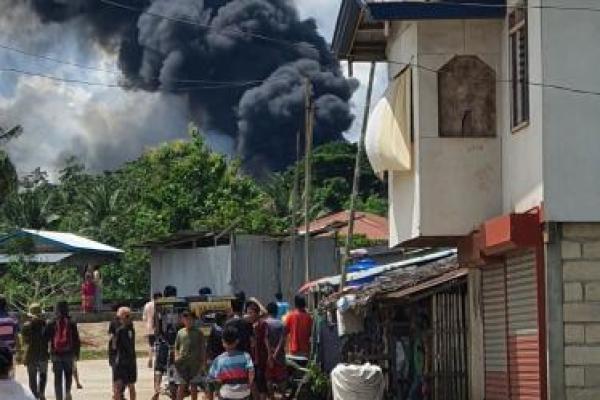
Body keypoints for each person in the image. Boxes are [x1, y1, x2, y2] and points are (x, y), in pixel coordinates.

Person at [45, 301, 80, 400]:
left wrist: (48, 352)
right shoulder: (71, 322)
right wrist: (76, 354)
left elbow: (45, 338)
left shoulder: (51, 322)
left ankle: (59, 397)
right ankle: (67, 393)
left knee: (58, 377)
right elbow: (76, 340)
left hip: (56, 354)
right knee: (68, 375)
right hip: (69, 353)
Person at [208, 325, 255, 400]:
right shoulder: (246, 356)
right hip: (243, 392)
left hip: (226, 393)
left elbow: (212, 378)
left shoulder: (219, 359)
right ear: (237, 341)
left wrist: (217, 391)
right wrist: (249, 384)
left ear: (223, 342)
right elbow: (251, 372)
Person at [174, 311, 206, 400]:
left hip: (195, 364)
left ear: (194, 320)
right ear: (183, 320)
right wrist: (176, 358)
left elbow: (203, 348)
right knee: (181, 385)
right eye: (186, 319)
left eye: (191, 319)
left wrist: (203, 363)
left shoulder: (199, 333)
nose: (189, 321)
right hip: (182, 364)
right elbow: (176, 347)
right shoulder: (180, 332)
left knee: (194, 386)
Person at [21, 303, 49, 400]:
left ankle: (34, 396)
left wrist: (24, 356)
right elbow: (48, 340)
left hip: (31, 355)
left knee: (32, 378)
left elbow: (25, 343)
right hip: (43, 354)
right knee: (43, 375)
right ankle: (41, 393)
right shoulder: (45, 324)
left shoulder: (26, 326)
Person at [264, 303, 287, 399]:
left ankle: (272, 397)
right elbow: (282, 340)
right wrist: (276, 354)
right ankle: (283, 396)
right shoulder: (281, 323)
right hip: (280, 356)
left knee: (269, 378)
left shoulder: (265, 323)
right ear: (276, 311)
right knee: (281, 378)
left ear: (267, 311)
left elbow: (265, 339)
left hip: (267, 356)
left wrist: (270, 355)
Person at [113, 307, 137, 400]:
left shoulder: (120, 330)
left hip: (122, 361)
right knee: (131, 385)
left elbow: (114, 346)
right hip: (131, 360)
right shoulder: (131, 329)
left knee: (118, 386)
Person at [246, 301, 267, 400]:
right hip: (251, 359)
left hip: (261, 358)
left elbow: (266, 341)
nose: (249, 315)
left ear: (257, 313)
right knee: (252, 382)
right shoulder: (248, 325)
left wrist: (270, 357)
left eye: (251, 313)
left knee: (261, 382)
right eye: (248, 313)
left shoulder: (262, 324)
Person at [284, 295, 313, 360]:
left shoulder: (291, 316)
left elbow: (284, 332)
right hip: (305, 350)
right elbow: (311, 333)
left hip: (294, 350)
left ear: (296, 304)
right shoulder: (309, 317)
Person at [0, 295, 19, 376]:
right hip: (9, 354)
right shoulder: (13, 320)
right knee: (9, 380)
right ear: (5, 304)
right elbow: (16, 337)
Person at [143, 292, 162, 369]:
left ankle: (150, 358)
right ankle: (157, 360)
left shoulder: (147, 305)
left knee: (151, 344)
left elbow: (144, 317)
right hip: (158, 328)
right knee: (159, 344)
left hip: (149, 327)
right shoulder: (160, 305)